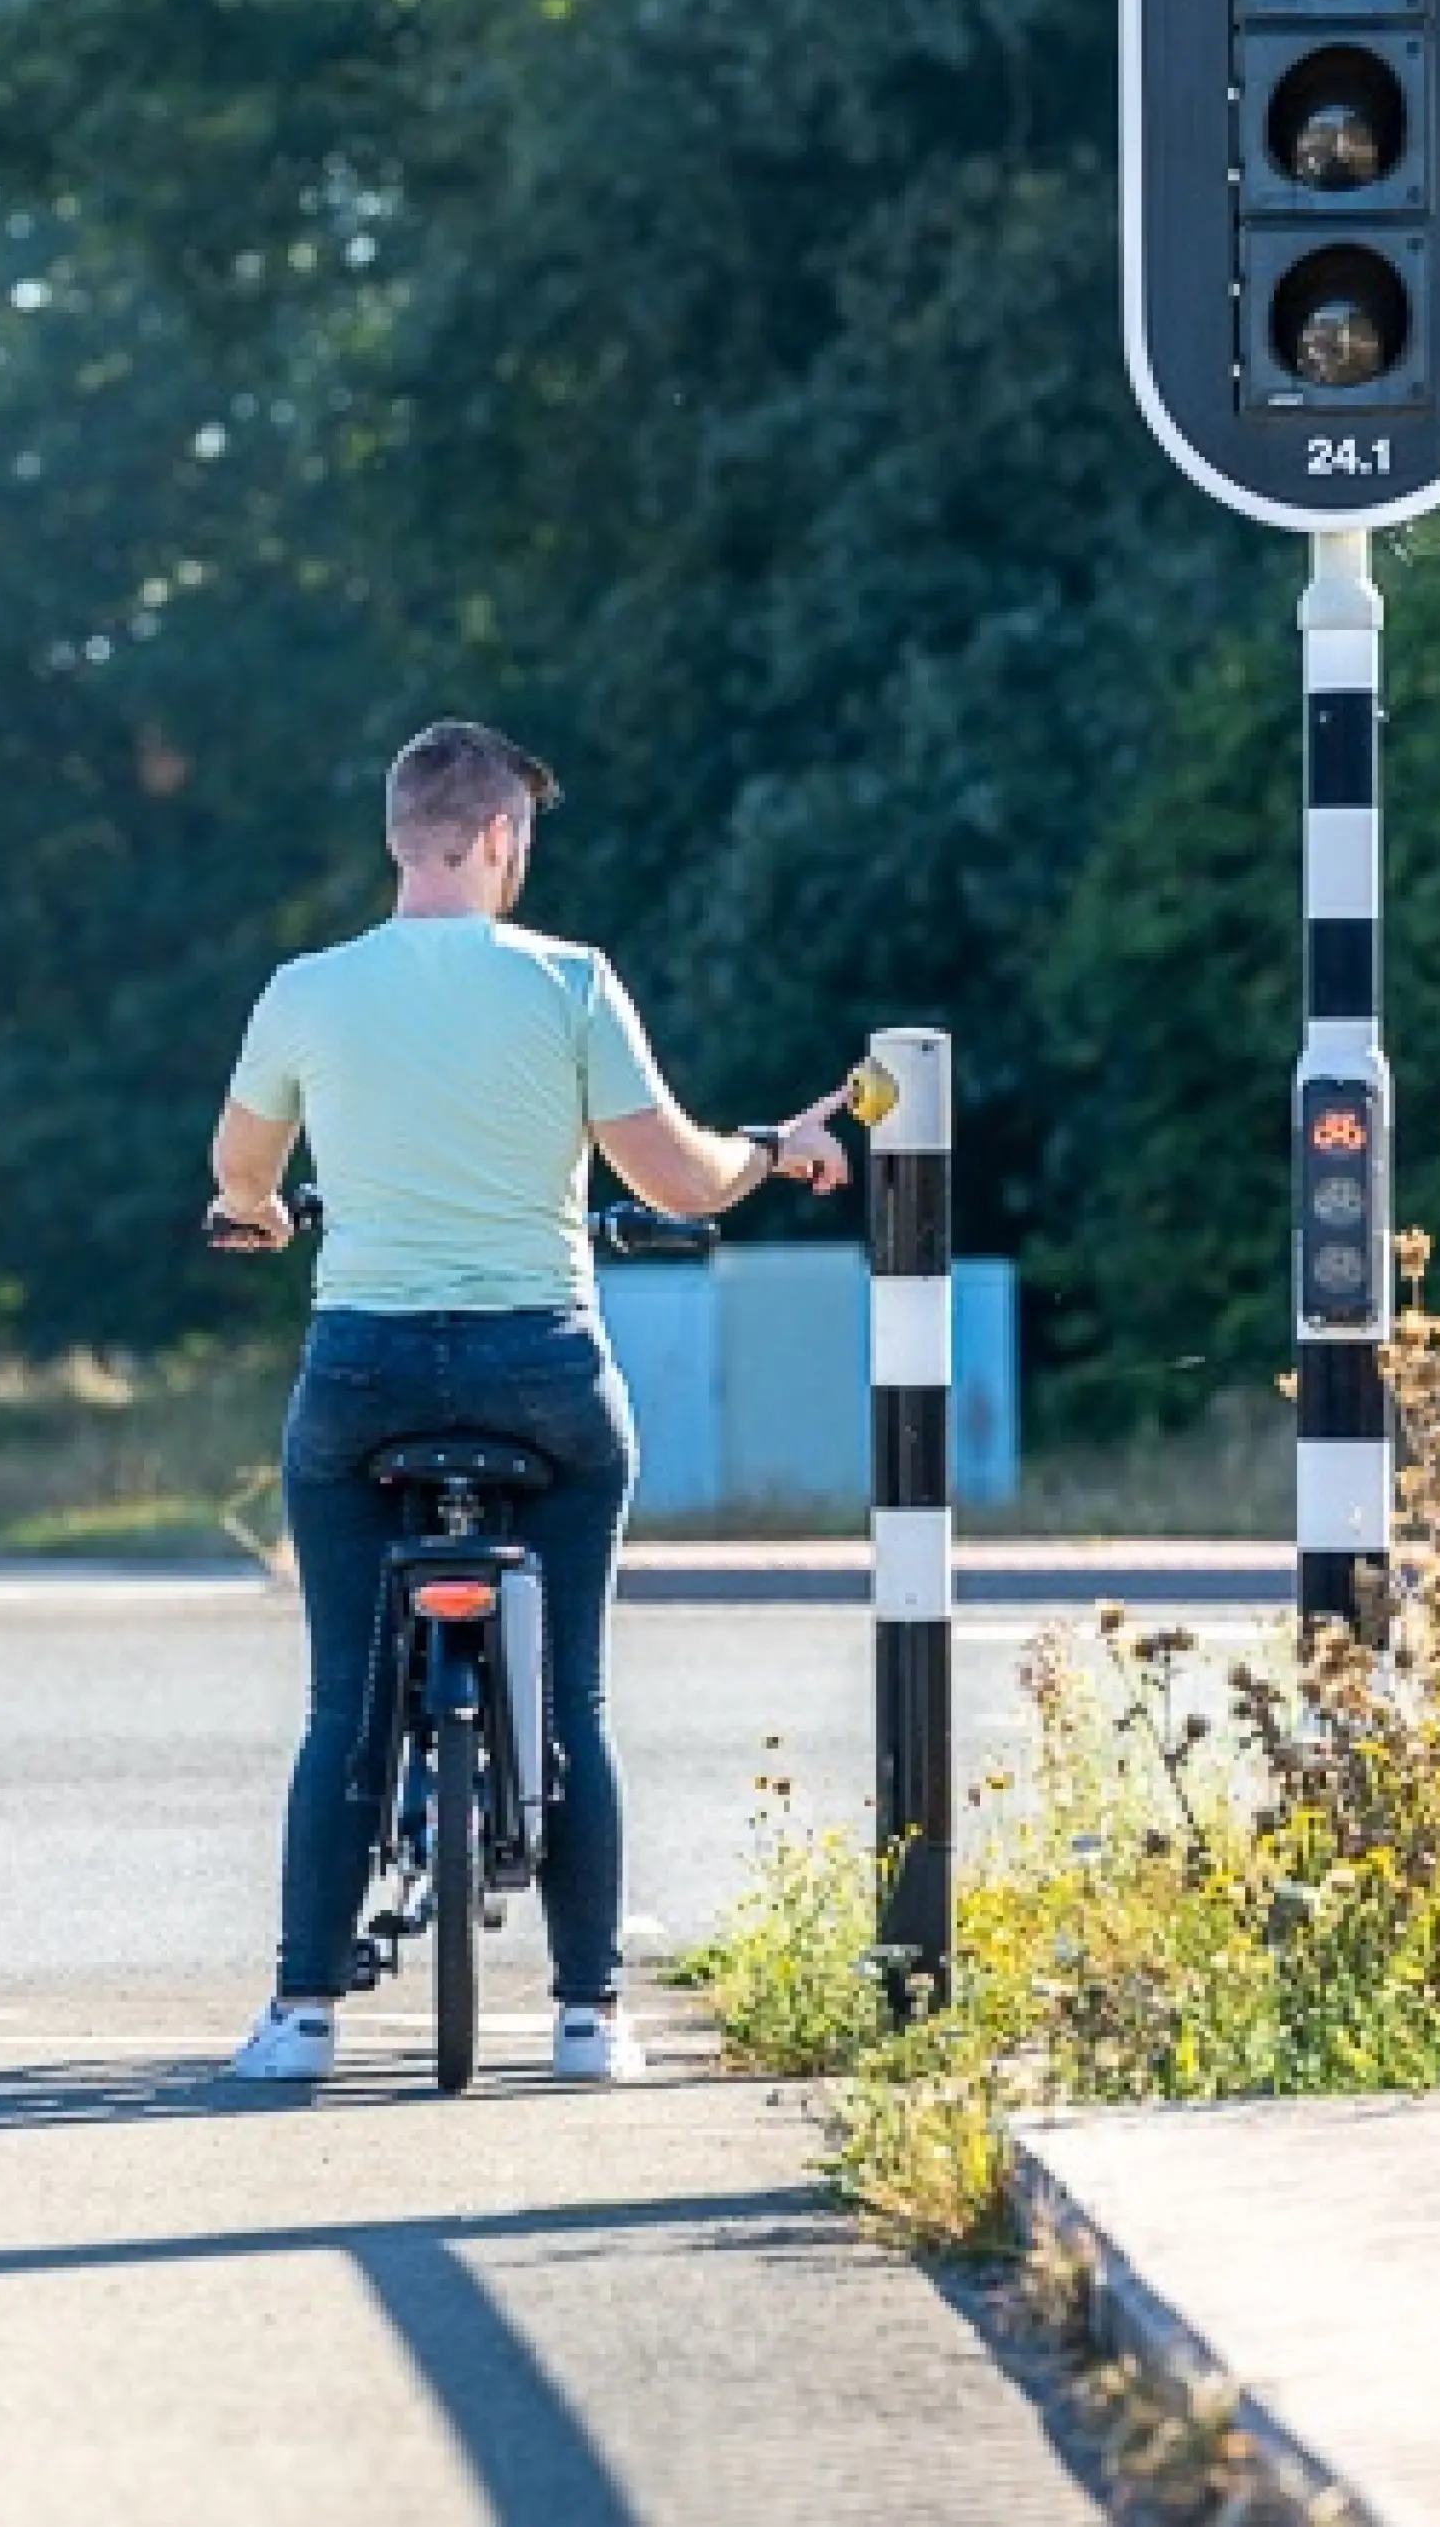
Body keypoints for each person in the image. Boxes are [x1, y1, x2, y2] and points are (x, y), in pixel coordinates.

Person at [208, 719, 851, 2085]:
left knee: (341, 1702)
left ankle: (302, 2016)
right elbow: (676, 1178)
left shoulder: (307, 990)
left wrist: (257, 1214)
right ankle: (588, 2016)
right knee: (574, 1703)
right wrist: (774, 1152)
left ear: (402, 832)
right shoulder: (570, 981)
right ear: (498, 835)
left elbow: (242, 1171)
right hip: (540, 1369)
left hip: (363, 1373)